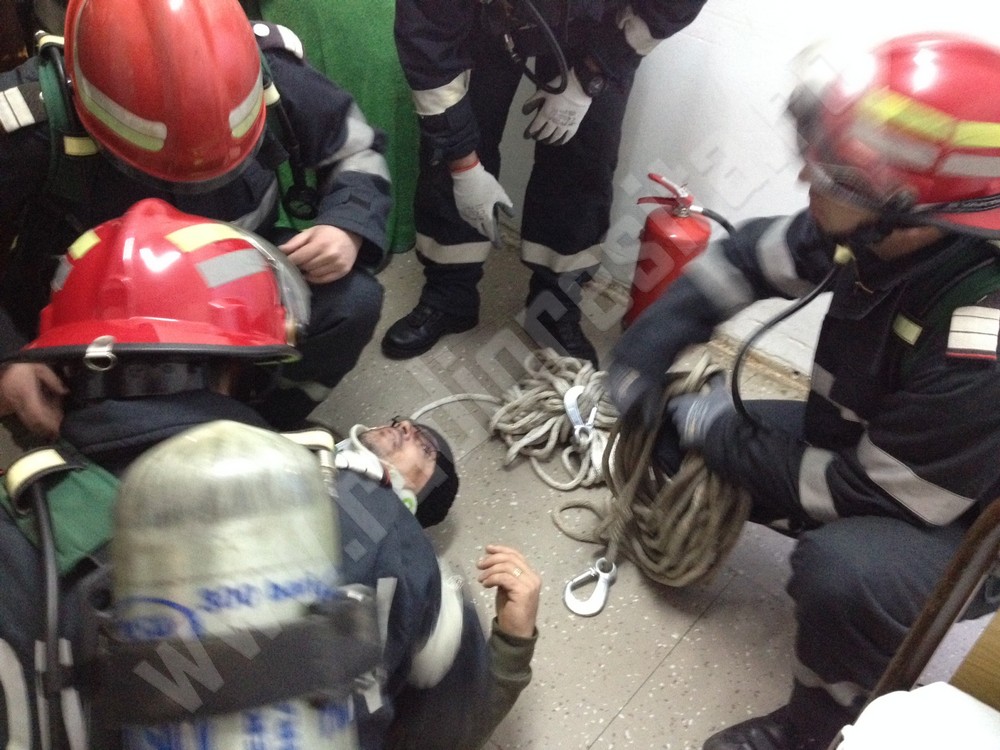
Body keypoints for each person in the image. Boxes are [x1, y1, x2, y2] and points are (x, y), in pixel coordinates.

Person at [0, 199, 540, 750]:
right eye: (401, 425)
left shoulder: (17, 528)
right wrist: (511, 649)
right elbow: (450, 726)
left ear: (61, 368)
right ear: (247, 371)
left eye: (423, 450)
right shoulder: (386, 541)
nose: (403, 429)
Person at [608, 33, 1000, 750]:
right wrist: (645, 353)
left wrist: (714, 430)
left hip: (961, 530)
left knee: (841, 573)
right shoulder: (881, 232)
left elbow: (871, 494)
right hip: (879, 453)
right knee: (677, 431)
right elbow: (744, 259)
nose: (806, 181)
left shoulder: (981, 334)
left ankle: (815, 728)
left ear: (911, 208)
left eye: (834, 176)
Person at [0, 0, 392, 437]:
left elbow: (355, 147)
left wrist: (346, 225)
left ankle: (264, 427)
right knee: (99, 436)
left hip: (234, 285)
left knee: (352, 304)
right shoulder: (29, 119)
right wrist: (8, 358)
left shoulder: (263, 68)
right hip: (93, 322)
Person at [382, 0, 707, 366]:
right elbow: (428, 45)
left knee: (585, 157)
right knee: (452, 138)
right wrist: (464, 168)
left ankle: (554, 308)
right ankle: (449, 297)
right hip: (484, 16)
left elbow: (670, 7)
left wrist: (589, 77)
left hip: (598, 22)